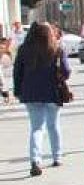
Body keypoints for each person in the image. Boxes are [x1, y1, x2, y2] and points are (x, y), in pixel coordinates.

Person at [14, 21, 71, 176]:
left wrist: (18, 90)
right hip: (52, 91)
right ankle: (57, 156)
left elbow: (17, 72)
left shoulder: (24, 50)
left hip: (31, 93)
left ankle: (35, 159)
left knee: (36, 127)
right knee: (53, 125)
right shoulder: (57, 49)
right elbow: (66, 71)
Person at [0, 37, 13, 105]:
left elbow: (9, 65)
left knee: (6, 86)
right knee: (3, 87)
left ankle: (8, 98)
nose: (0, 49)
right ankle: (6, 98)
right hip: (2, 74)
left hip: (7, 74)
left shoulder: (6, 56)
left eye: (2, 48)